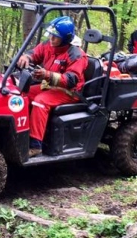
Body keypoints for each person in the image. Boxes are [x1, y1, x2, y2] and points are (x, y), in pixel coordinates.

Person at [17, 16, 88, 157]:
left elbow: (71, 80)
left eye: (55, 36)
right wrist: (26, 57)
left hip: (69, 92)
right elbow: (34, 53)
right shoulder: (49, 45)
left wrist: (47, 75)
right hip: (50, 86)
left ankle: (35, 145)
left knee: (40, 101)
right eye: (50, 34)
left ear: (66, 38)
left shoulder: (77, 55)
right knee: (21, 94)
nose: (51, 38)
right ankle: (20, 134)